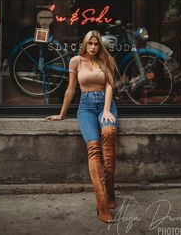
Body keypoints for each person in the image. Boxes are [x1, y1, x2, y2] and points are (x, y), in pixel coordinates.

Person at [45, 30, 118, 223]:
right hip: (85, 106)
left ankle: (110, 189)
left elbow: (110, 85)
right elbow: (70, 89)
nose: (93, 47)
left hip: (105, 104)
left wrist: (107, 109)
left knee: (109, 132)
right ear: (85, 44)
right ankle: (102, 203)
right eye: (90, 43)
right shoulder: (75, 61)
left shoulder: (106, 59)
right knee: (94, 147)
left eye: (96, 44)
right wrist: (61, 114)